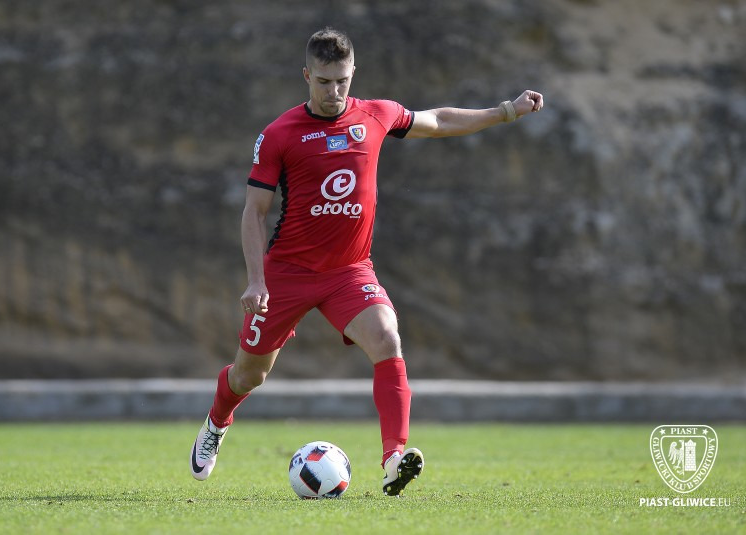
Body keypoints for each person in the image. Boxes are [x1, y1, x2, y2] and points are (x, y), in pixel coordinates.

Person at [190, 27, 544, 496]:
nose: (334, 92)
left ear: (353, 72)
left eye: (342, 81)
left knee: (387, 338)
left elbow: (438, 120)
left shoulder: (376, 114)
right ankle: (217, 422)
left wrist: (506, 111)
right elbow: (254, 212)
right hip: (286, 275)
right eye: (323, 82)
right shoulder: (279, 135)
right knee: (248, 374)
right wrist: (256, 280)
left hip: (349, 271)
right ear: (306, 76)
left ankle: (394, 457)